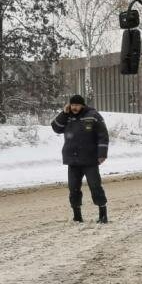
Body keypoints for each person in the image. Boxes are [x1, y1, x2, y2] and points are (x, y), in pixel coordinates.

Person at [51, 94, 109, 223]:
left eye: (77, 105)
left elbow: (102, 135)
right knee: (73, 188)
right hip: (73, 160)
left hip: (90, 159)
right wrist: (64, 113)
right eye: (72, 105)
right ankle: (77, 216)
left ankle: (103, 213)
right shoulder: (68, 116)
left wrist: (102, 154)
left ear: (82, 105)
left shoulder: (93, 115)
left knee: (95, 187)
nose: (74, 107)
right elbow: (56, 128)